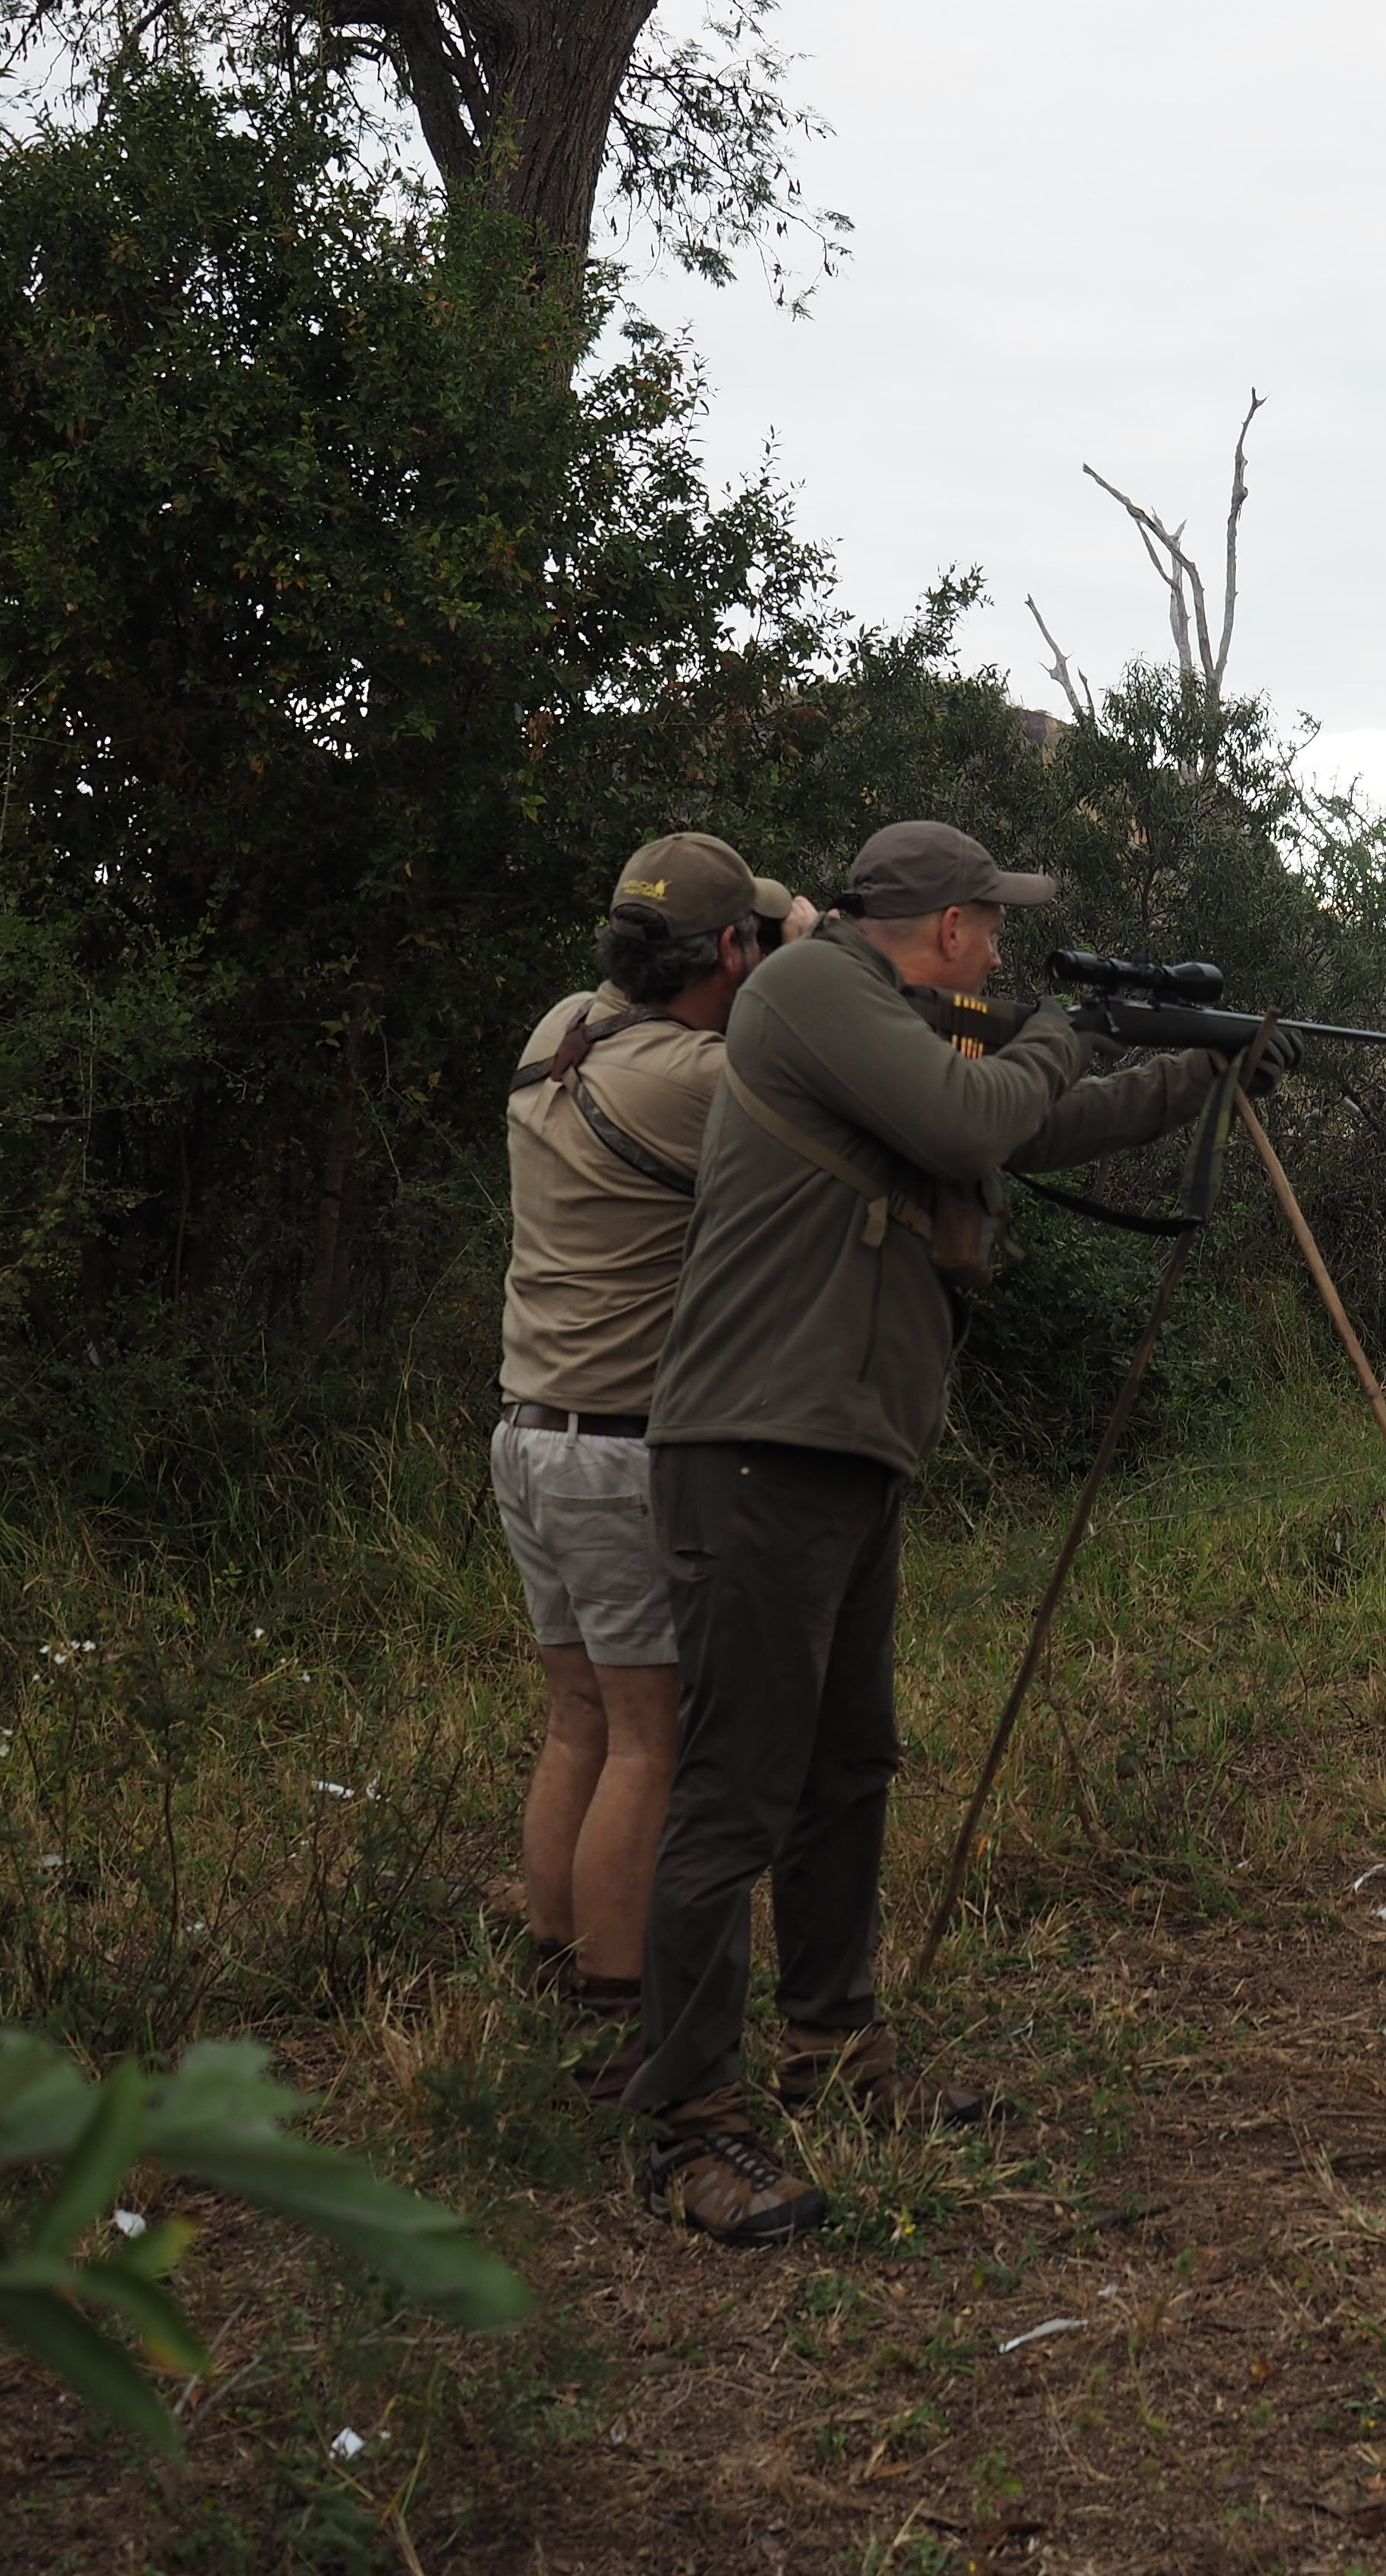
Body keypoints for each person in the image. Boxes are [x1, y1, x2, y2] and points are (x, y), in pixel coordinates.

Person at [624, 817, 1254, 2243]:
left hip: (839, 1448)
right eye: (994, 919)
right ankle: (687, 2128)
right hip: (755, 1452)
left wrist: (1190, 1071)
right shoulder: (815, 992)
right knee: (735, 1792)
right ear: (952, 928)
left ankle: (834, 2052)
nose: (1003, 941)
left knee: (845, 1766)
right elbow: (984, 1117)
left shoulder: (890, 1026)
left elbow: (1028, 1125)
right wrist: (1064, 1034)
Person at [495, 831, 813, 2102]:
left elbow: (726, 937)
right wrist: (802, 942)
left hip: (527, 1434)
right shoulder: (703, 1079)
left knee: (580, 1718)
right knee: (651, 1738)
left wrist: (763, 921)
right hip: (620, 1455)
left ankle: (555, 1958)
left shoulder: (562, 1027)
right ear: (728, 953)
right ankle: (626, 2006)